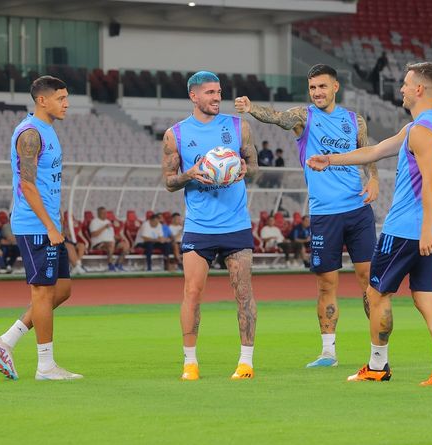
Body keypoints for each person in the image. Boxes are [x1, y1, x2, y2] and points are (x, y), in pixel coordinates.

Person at [307, 62, 432, 385]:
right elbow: (375, 151)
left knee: (376, 294)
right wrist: (330, 159)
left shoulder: (420, 132)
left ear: (419, 89)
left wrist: (424, 230)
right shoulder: (428, 127)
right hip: (429, 228)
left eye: (406, 84)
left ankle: (378, 367)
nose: (401, 89)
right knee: (425, 297)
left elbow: (431, 184)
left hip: (407, 230)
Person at [235, 63, 379, 368]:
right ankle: (328, 352)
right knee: (327, 285)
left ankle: (378, 352)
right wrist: (251, 108)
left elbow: (367, 153)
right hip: (325, 215)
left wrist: (375, 179)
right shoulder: (304, 117)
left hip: (358, 212)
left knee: (370, 282)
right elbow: (277, 118)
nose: (317, 93)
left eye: (322, 87)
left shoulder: (355, 120)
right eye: (313, 88)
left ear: (335, 87)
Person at [162, 70, 259, 381]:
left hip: (236, 224)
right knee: (192, 292)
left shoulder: (238, 126)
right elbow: (169, 182)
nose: (217, 98)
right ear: (194, 96)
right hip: (199, 226)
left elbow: (254, 167)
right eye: (210, 93)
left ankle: (246, 363)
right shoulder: (174, 134)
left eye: (219, 92)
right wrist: (190, 174)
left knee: (243, 292)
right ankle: (190, 363)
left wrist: (245, 168)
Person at [0, 75, 82, 381]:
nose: (67, 104)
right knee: (42, 293)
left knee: (62, 290)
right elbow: (27, 185)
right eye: (61, 98)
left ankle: (6, 340)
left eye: (67, 98)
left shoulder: (48, 130)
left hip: (48, 223)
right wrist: (50, 226)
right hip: (35, 225)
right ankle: (45, 366)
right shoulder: (29, 134)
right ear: (42, 100)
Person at [89, 206, 125, 271]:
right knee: (111, 244)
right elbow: (94, 234)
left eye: (106, 213)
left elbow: (112, 235)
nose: (105, 214)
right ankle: (110, 265)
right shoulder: (94, 222)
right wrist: (104, 227)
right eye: (103, 213)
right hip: (99, 243)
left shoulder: (108, 222)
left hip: (111, 242)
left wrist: (119, 238)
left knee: (125, 245)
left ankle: (119, 264)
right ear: (98, 213)